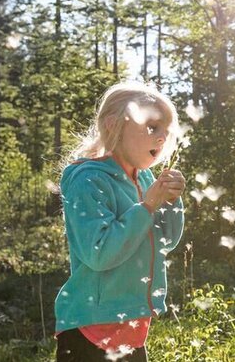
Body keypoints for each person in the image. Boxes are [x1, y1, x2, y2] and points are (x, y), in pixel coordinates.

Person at [54, 81, 186, 361]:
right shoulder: (88, 179)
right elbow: (99, 253)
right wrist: (148, 205)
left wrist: (171, 201)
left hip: (130, 322)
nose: (162, 138)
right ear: (114, 126)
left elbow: (165, 241)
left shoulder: (145, 178)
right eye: (152, 127)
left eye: (166, 130)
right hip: (90, 327)